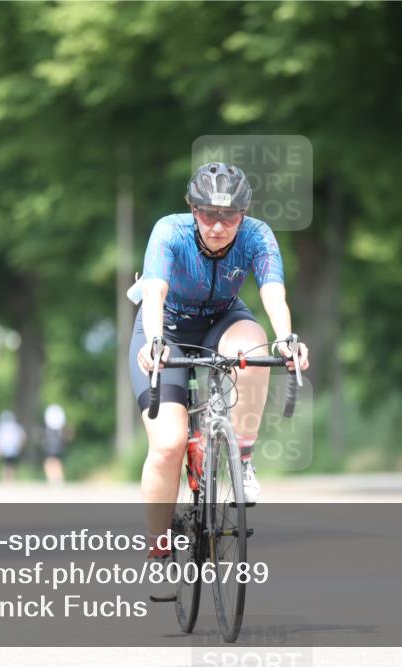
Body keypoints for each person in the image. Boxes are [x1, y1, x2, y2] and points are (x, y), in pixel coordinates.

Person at [130, 162, 309, 600]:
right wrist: (154, 342)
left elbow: (273, 293)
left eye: (229, 217)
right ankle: (159, 550)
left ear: (243, 214)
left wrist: (286, 339)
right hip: (167, 327)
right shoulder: (170, 232)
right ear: (192, 209)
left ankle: (241, 457)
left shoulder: (257, 236)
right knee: (168, 444)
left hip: (222, 320)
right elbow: (153, 292)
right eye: (208, 214)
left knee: (254, 351)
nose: (217, 226)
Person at [0, 410, 26, 482]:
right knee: (10, 465)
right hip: (10, 449)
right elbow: (22, 436)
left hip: (8, 449)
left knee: (7, 465)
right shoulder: (15, 426)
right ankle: (9, 479)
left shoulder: (2, 427)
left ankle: (7, 479)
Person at [42, 403, 70, 483]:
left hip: (52, 447)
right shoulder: (57, 430)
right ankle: (56, 478)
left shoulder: (52, 430)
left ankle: (54, 478)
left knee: (50, 461)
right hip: (56, 446)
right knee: (54, 461)